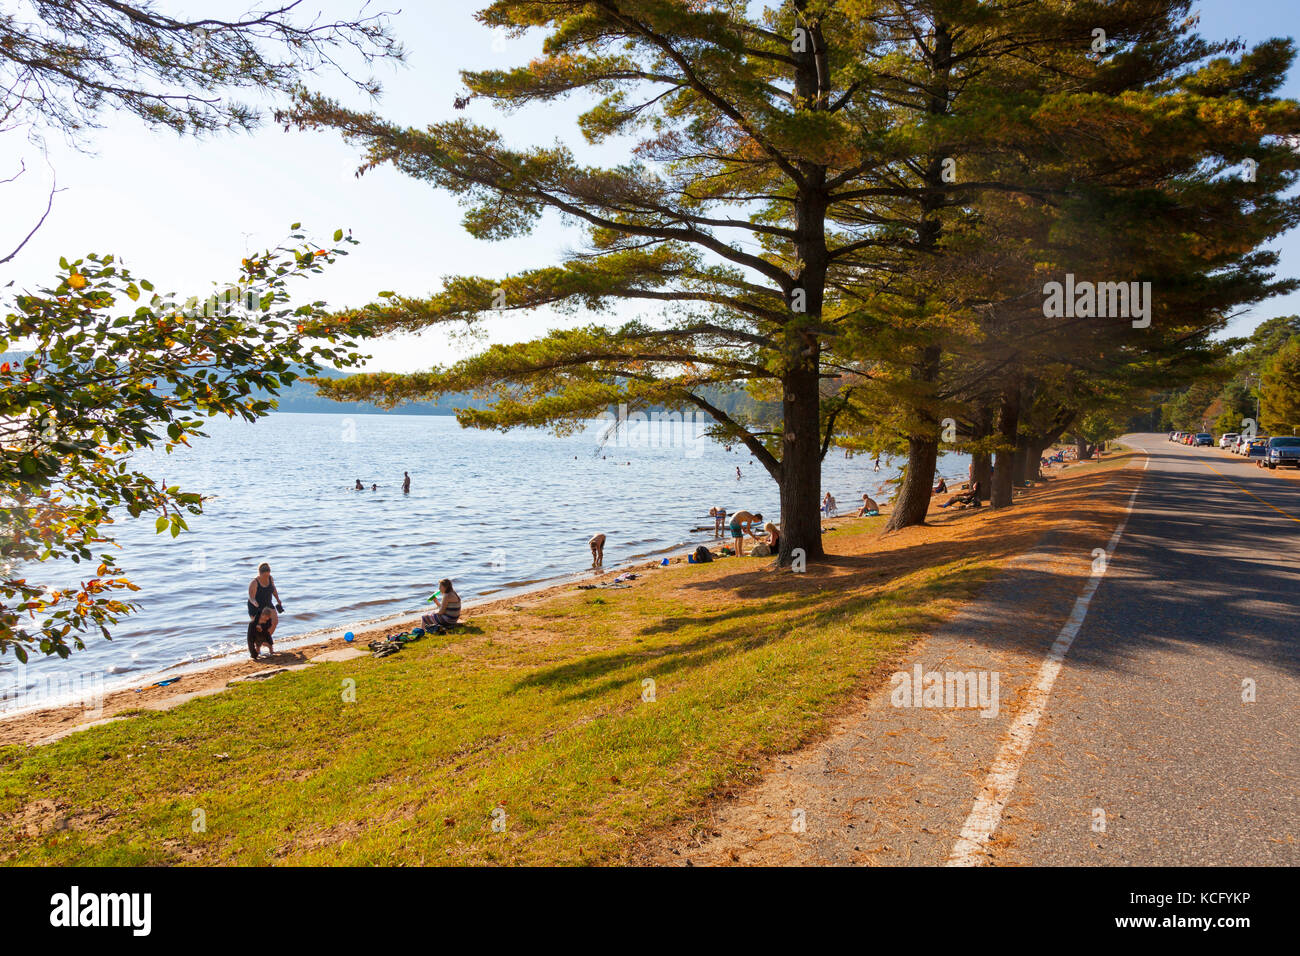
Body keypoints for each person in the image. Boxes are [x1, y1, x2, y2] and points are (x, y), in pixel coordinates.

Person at [247, 562, 283, 638]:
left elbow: (273, 589)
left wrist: (278, 599)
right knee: (260, 626)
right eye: (264, 576)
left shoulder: (270, 578)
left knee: (275, 622)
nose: (266, 577)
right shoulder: (254, 582)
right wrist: (254, 602)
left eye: (268, 575)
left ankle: (265, 638)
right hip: (256, 606)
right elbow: (251, 597)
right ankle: (259, 641)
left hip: (268, 603)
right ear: (260, 573)